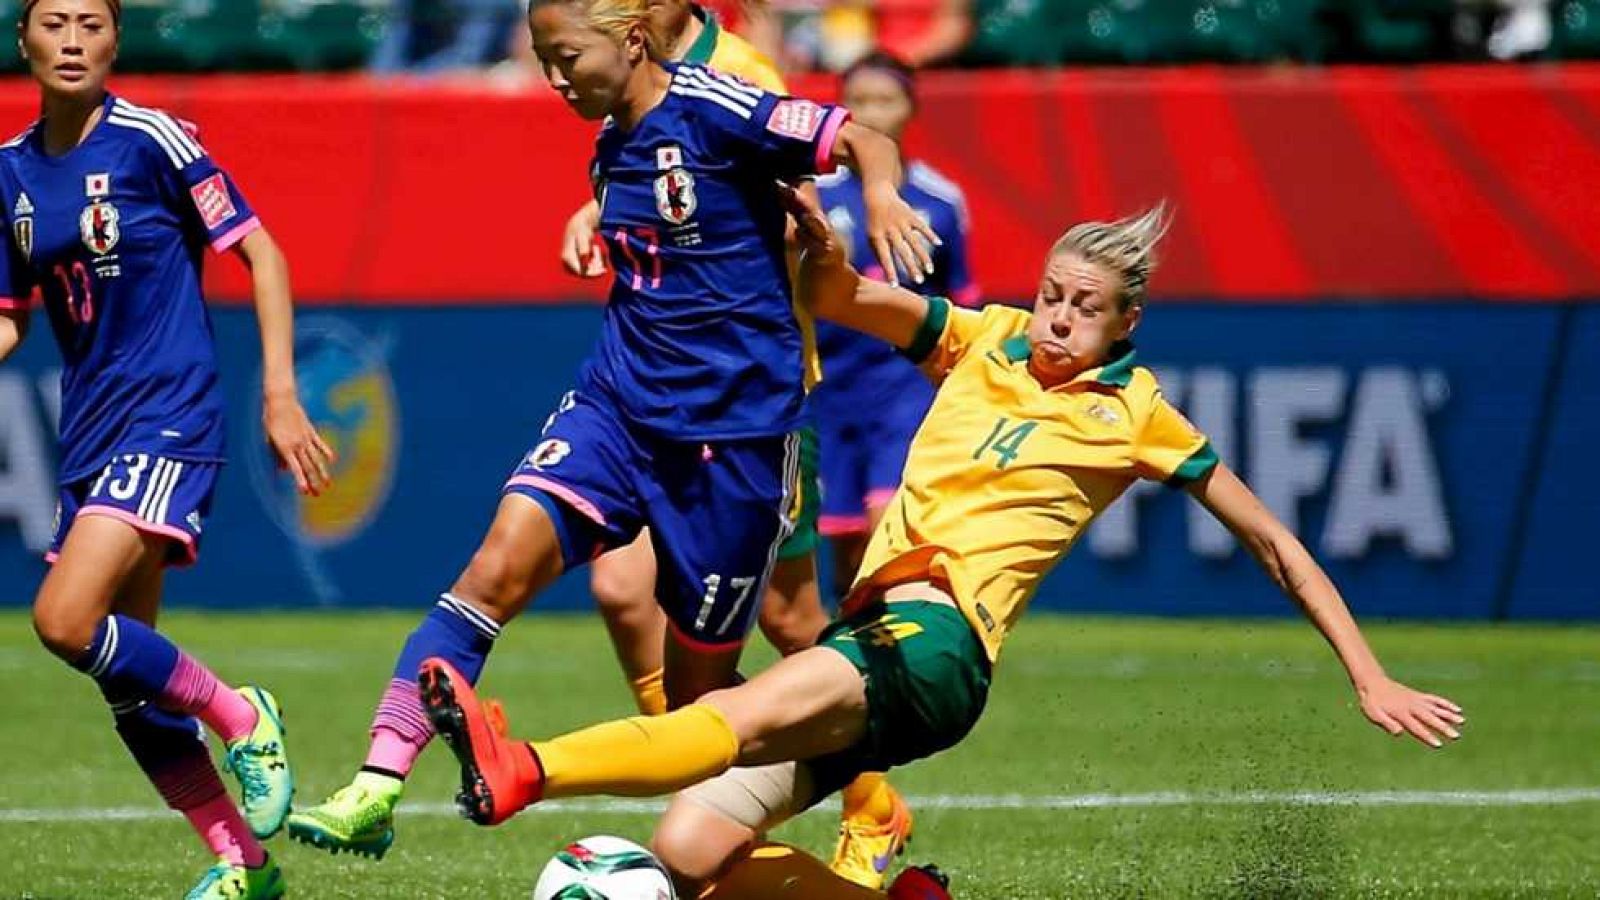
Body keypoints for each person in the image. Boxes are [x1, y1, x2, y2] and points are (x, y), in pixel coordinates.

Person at [414, 193, 1467, 900]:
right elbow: (838, 298)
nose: (1057, 320)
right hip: (870, 639)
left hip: (938, 644)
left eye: (1084, 309)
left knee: (726, 715)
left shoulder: (1138, 415)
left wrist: (1366, 673)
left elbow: (1275, 542)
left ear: (1126, 322)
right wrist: (812, 244)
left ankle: (528, 770)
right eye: (1053, 295)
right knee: (691, 855)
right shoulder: (985, 338)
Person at [287, 0, 938, 870]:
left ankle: (847, 783)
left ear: (631, 40)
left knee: (701, 707)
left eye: (566, 58)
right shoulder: (608, 143)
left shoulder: (722, 98)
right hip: (618, 410)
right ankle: (376, 784)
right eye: (542, 58)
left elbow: (862, 140)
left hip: (735, 443)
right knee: (493, 570)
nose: (553, 78)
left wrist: (882, 198)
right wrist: (592, 217)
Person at [0, 1, 336, 897]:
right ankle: (244, 865)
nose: (73, 41)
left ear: (117, 39)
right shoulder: (10, 174)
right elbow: (8, 317)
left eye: (92, 24)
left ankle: (241, 713)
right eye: (53, 23)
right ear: (22, 39)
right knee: (130, 682)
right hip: (89, 432)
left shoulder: (153, 139)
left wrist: (278, 392)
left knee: (64, 622)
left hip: (167, 415)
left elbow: (260, 252)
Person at [813, 50, 976, 600]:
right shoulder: (818, 197)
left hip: (903, 387)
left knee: (891, 525)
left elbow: (961, 302)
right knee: (846, 548)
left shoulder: (940, 201)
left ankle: (893, 658)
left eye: (885, 100)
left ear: (910, 108)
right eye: (858, 101)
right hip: (829, 390)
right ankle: (847, 659)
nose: (872, 113)